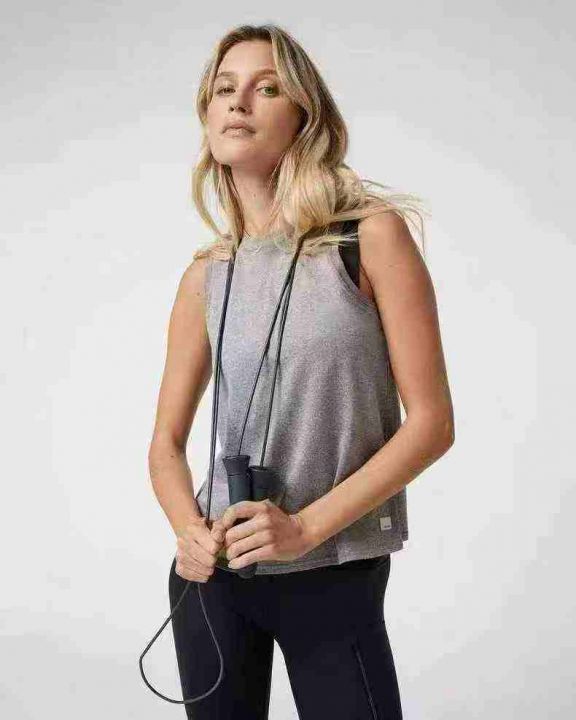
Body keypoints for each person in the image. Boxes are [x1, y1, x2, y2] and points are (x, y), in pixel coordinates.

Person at [148, 23, 455, 720]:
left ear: (304, 117)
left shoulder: (368, 239)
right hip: (214, 578)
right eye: (224, 89)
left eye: (267, 88)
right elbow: (165, 444)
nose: (239, 102)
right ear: (207, 116)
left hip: (333, 571)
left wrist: (305, 529)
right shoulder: (206, 276)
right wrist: (188, 530)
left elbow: (433, 424)